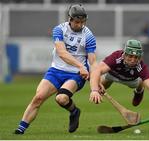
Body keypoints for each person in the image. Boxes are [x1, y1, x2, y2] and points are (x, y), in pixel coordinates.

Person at [14, 4, 97, 134]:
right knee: (38, 98)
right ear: (70, 19)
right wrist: (81, 66)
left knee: (62, 98)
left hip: (75, 75)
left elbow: (92, 61)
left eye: (82, 22)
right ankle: (20, 129)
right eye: (77, 22)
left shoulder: (89, 35)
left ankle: (74, 111)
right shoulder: (59, 30)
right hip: (56, 70)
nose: (80, 25)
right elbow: (62, 53)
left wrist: (95, 81)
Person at [89, 39, 149, 122]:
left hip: (131, 80)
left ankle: (140, 89)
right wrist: (95, 89)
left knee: (140, 82)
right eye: (130, 56)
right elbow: (97, 70)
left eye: (136, 57)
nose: (133, 60)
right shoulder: (116, 57)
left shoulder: (141, 67)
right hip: (112, 75)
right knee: (98, 88)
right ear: (124, 54)